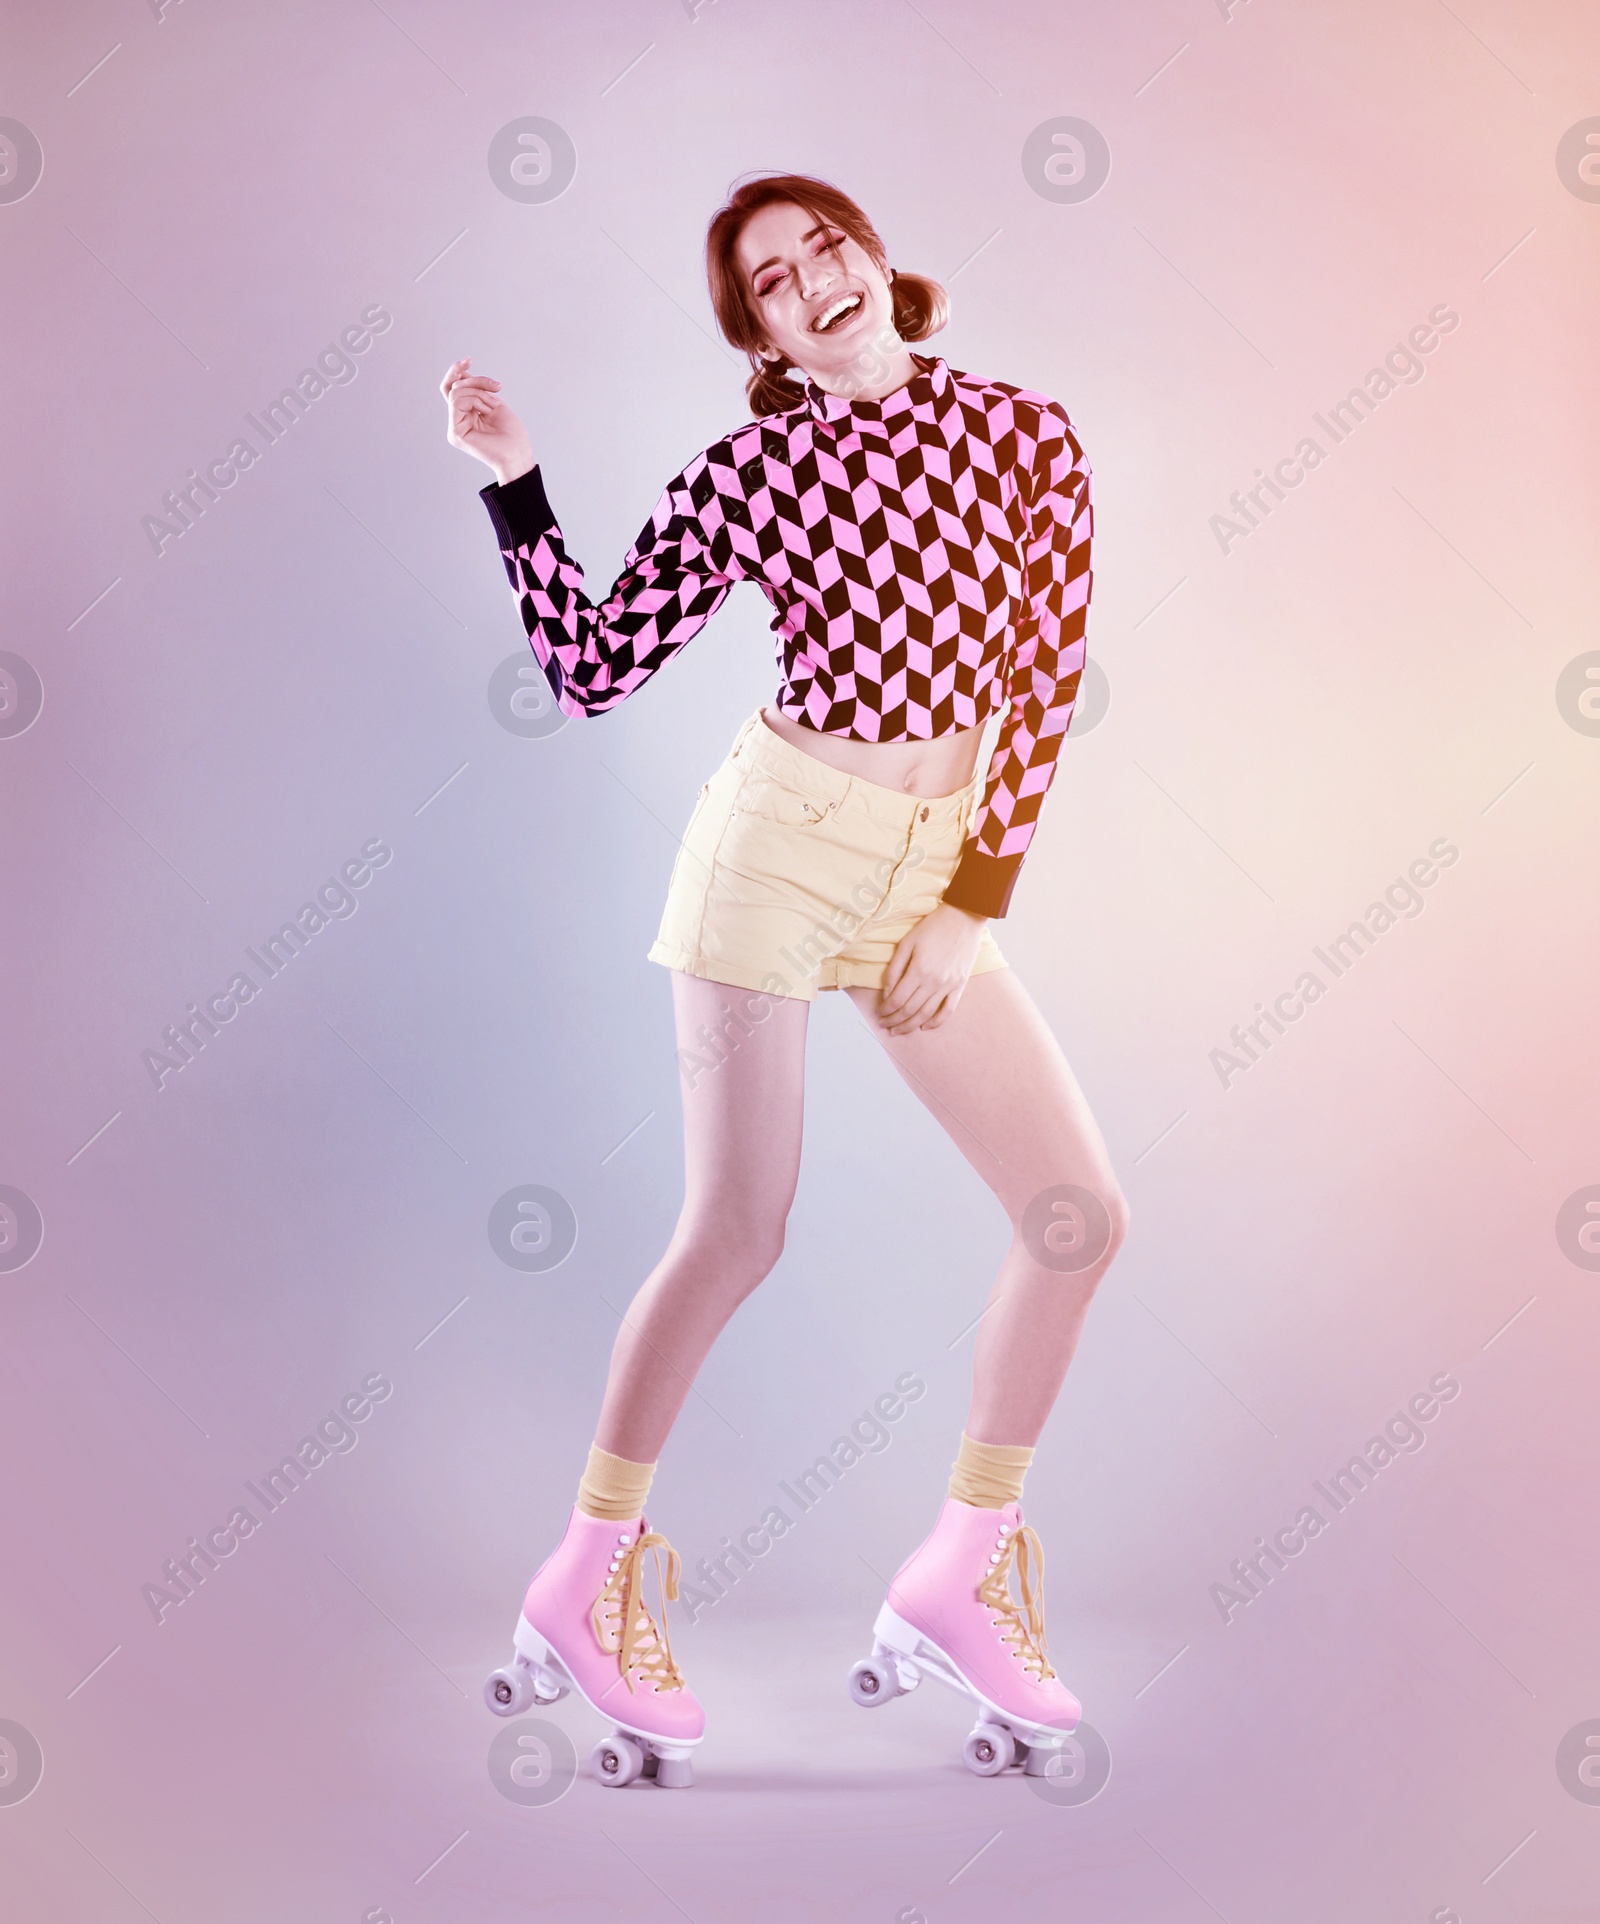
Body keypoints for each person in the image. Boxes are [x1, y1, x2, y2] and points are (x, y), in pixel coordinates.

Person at [447, 173, 1127, 1787]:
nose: (815, 278)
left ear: (879, 258)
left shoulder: (1030, 435)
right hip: (776, 853)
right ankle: (585, 1575)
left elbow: (1041, 682)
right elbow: (596, 667)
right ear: (756, 334)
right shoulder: (753, 473)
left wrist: (973, 899)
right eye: (773, 278)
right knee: (740, 1227)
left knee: (1076, 1219)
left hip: (931, 874)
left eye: (828, 244)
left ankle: (961, 1567)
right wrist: (516, 483)